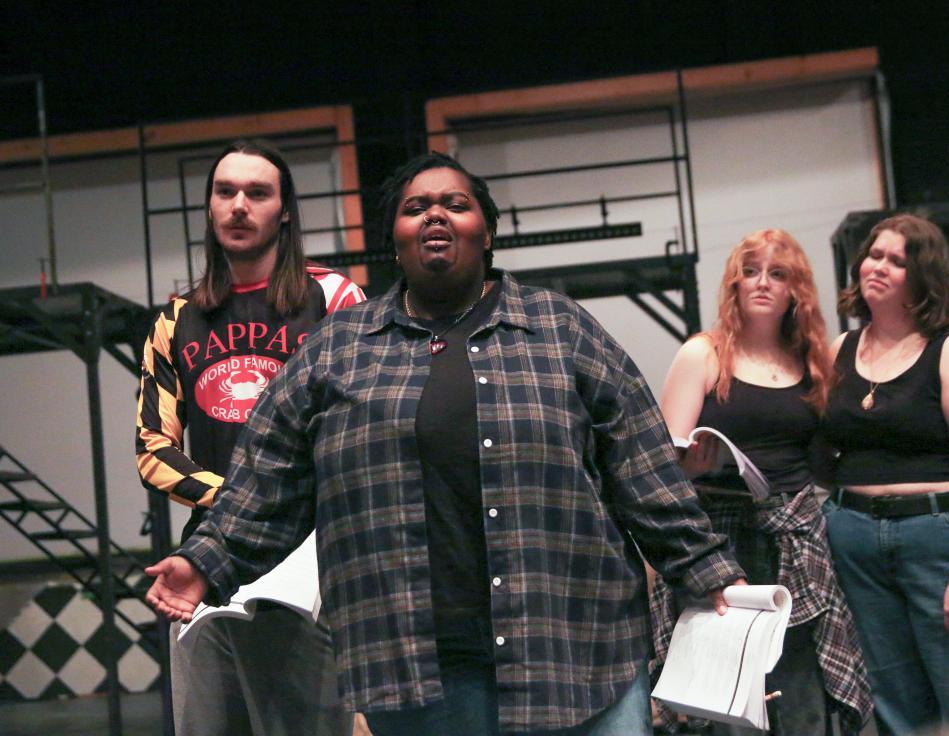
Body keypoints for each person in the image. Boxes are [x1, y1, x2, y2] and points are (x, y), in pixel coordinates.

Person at [144, 151, 746, 736]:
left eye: (455, 204)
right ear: (396, 239)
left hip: (576, 647)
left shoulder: (562, 330)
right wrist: (205, 563)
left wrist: (710, 571)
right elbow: (268, 481)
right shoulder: (338, 350)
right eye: (415, 208)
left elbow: (644, 470)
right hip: (414, 667)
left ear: (486, 233)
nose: (435, 215)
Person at [135, 138, 366, 736]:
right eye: (225, 192)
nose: (239, 205)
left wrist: (272, 507)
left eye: (257, 193)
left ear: (284, 210)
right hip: (209, 565)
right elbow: (153, 451)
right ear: (210, 208)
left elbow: (360, 437)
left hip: (321, 564)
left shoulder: (335, 300)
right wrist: (239, 507)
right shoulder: (174, 320)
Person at [651, 229, 872, 735]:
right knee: (728, 690)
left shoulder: (811, 360)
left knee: (799, 686)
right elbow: (663, 467)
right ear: (733, 283)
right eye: (750, 272)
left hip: (796, 536)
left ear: (797, 289)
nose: (762, 283)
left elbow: (821, 456)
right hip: (720, 537)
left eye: (777, 273)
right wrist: (696, 467)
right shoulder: (703, 354)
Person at [821, 214, 949, 735]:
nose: (878, 267)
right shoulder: (840, 350)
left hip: (939, 538)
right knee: (894, 706)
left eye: (897, 260)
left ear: (924, 276)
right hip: (857, 538)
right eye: (874, 255)